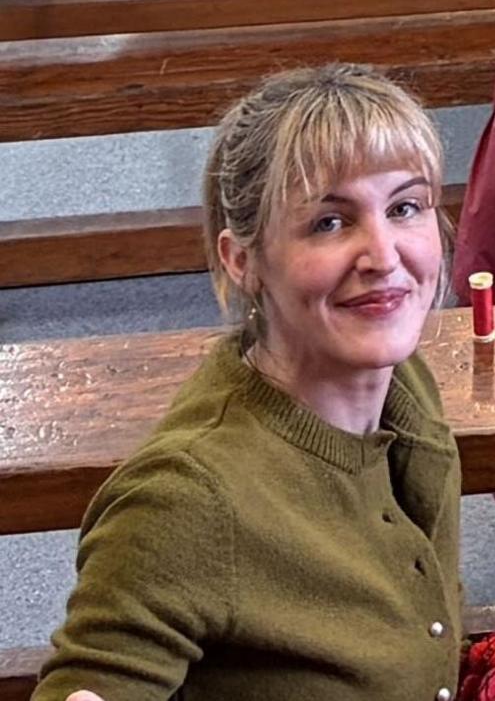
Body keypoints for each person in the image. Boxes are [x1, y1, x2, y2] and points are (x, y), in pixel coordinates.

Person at [36, 66, 461, 701]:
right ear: (243, 260)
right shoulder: (189, 498)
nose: (384, 257)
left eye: (404, 207)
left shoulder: (402, 383)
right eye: (330, 223)